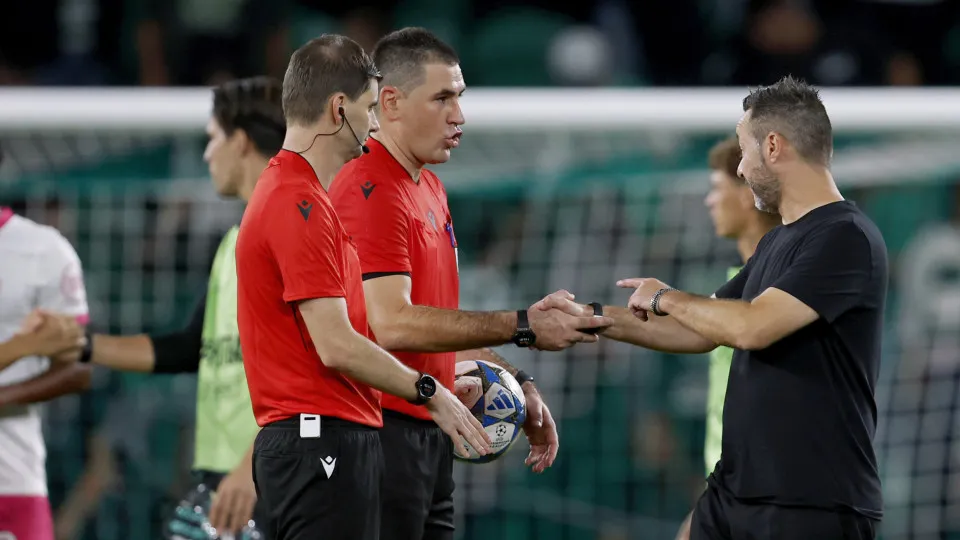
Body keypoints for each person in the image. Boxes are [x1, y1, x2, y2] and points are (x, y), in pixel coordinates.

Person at [541, 75, 888, 539]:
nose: (740, 169)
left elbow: (754, 327)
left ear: (772, 146)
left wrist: (665, 296)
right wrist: (588, 317)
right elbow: (699, 329)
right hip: (737, 491)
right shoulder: (777, 243)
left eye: (743, 151)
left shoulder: (845, 236)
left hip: (810, 501)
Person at [328, 27, 613, 540]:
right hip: (375, 437)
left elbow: (433, 325)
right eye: (442, 99)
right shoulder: (368, 187)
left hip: (425, 434)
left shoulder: (429, 187)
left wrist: (517, 381)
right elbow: (391, 324)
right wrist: (524, 325)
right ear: (390, 102)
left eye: (459, 97)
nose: (459, 115)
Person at [235, 34, 491, 540]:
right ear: (339, 109)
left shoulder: (303, 195)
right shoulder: (297, 202)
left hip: (324, 439)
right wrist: (427, 391)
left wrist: (440, 374)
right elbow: (335, 346)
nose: (375, 125)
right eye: (370, 108)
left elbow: (345, 334)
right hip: (318, 441)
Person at [62, 76, 284, 537]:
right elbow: (189, 348)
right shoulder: (235, 242)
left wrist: (252, 466)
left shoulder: (291, 237)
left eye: (212, 139)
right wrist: (80, 344)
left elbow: (318, 372)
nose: (206, 155)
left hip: (269, 478)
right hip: (225, 477)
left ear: (241, 142)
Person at [673, 137, 780, 540]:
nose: (709, 201)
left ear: (747, 193)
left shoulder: (783, 291)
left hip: (768, 491)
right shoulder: (735, 285)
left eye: (717, 188)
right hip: (728, 485)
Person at [0, 201, 91, 539]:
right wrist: (24, 345)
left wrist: (4, 396)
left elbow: (79, 367)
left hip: (13, 478)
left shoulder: (42, 249)